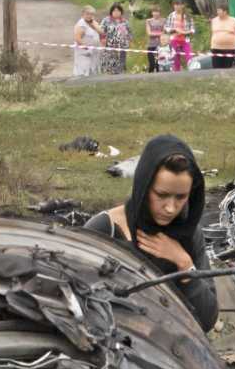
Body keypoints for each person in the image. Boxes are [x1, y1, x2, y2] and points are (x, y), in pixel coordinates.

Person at [83, 134, 217, 331]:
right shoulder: (105, 229)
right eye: (161, 195)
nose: (171, 208)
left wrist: (185, 265)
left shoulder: (189, 234)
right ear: (144, 187)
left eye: (181, 197)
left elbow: (206, 320)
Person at [101, 3, 132, 75]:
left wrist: (130, 41)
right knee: (112, 63)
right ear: (111, 12)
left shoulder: (125, 21)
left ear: (121, 12)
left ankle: (121, 76)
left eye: (118, 11)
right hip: (110, 46)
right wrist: (102, 40)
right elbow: (101, 31)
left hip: (122, 46)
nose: (116, 13)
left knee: (122, 62)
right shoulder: (106, 20)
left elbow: (129, 32)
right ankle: (111, 75)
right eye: (114, 11)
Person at [208, 5, 235, 70]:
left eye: (219, 11)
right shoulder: (214, 21)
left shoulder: (234, 20)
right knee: (216, 68)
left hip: (230, 49)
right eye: (217, 10)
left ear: (225, 12)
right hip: (216, 48)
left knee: (228, 68)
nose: (217, 12)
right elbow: (212, 33)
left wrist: (233, 40)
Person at [72, 5, 101, 77]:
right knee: (83, 73)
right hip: (84, 53)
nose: (89, 16)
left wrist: (94, 25)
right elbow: (77, 38)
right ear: (82, 14)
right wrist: (86, 47)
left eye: (91, 14)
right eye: (87, 14)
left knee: (93, 72)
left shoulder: (93, 22)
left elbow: (101, 32)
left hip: (94, 53)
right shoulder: (82, 24)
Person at [166, 1, 194, 71]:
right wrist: (174, 30)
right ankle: (176, 73)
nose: (177, 7)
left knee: (189, 56)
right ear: (173, 6)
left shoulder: (188, 16)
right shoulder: (171, 15)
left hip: (185, 39)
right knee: (175, 58)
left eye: (179, 5)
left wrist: (185, 32)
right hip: (174, 39)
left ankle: (192, 71)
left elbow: (193, 29)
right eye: (175, 5)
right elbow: (166, 28)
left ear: (182, 6)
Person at [143, 6, 166, 73]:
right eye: (154, 12)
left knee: (159, 64)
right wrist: (159, 33)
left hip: (161, 45)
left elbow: (164, 32)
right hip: (151, 45)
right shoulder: (148, 21)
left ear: (160, 12)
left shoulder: (163, 20)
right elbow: (149, 33)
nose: (156, 13)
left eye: (157, 12)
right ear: (152, 13)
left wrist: (155, 33)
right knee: (152, 64)